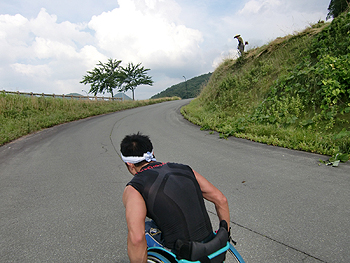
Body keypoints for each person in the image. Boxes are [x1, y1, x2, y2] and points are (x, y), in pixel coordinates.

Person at [121, 132, 230, 263]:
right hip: (213, 248)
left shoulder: (134, 188)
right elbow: (221, 200)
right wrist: (223, 237)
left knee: (143, 229)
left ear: (130, 165)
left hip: (184, 254)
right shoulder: (185, 169)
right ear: (153, 153)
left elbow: (137, 239)